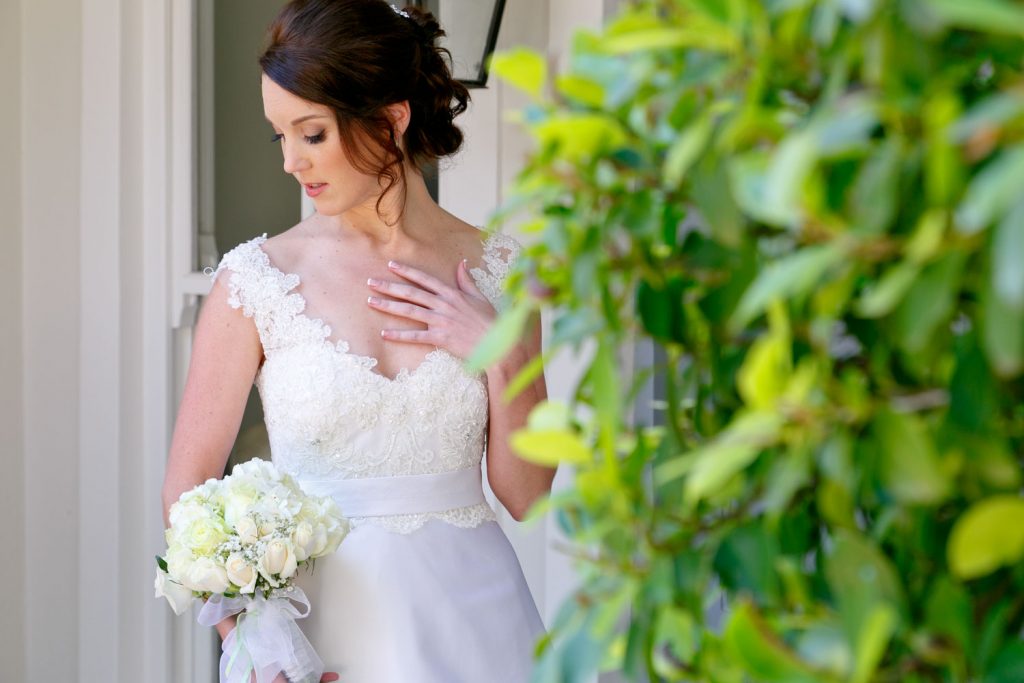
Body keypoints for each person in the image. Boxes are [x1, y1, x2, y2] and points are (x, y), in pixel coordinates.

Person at [161, 0, 556, 680]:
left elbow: (528, 495)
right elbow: (186, 489)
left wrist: (502, 351)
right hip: (319, 643)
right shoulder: (254, 281)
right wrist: (252, 641)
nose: (291, 162)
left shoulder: (501, 274)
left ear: (389, 120)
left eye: (310, 134)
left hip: (477, 633)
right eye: (278, 136)